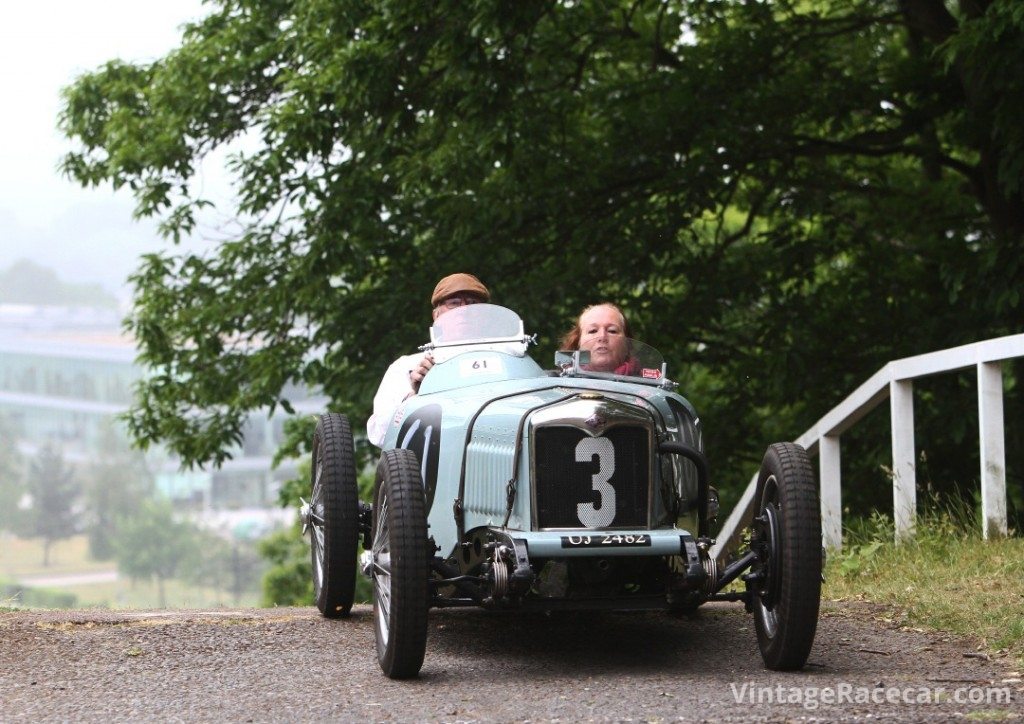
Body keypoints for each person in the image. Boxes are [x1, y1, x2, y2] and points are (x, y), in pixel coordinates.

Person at [366, 273, 490, 446]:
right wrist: (415, 397)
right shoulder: (405, 367)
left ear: (485, 315)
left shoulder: (508, 359)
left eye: (472, 303)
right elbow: (379, 435)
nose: (463, 310)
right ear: (436, 315)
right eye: (454, 303)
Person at [559, 302, 640, 375]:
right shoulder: (559, 385)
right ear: (577, 342)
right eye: (593, 331)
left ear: (627, 343)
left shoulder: (647, 385)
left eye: (612, 331)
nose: (602, 337)